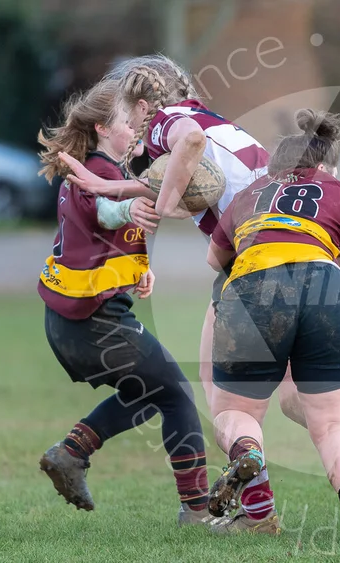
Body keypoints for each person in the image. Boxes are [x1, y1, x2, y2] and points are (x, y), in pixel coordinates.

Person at [58, 54, 340, 532]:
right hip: (309, 262)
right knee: (298, 398)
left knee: (226, 400)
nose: (132, 129)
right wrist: (131, 193)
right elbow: (197, 179)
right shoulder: (215, 122)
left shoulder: (167, 123)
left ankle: (257, 515)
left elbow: (190, 153)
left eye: (126, 111)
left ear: (143, 105)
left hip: (253, 262)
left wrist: (149, 203)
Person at [205, 109, 340, 542]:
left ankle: (247, 453)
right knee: (333, 423)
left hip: (253, 288)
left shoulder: (250, 193)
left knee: (237, 411)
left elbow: (214, 261)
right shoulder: (339, 191)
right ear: (321, 164)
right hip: (326, 288)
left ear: (275, 165)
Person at [35, 78, 211, 527]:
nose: (134, 128)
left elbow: (95, 234)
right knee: (176, 396)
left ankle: (71, 453)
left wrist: (139, 269)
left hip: (71, 321)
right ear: (99, 129)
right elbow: (105, 212)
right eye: (124, 122)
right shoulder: (100, 175)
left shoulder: (103, 172)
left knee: (148, 392)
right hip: (93, 323)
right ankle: (196, 509)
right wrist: (129, 209)